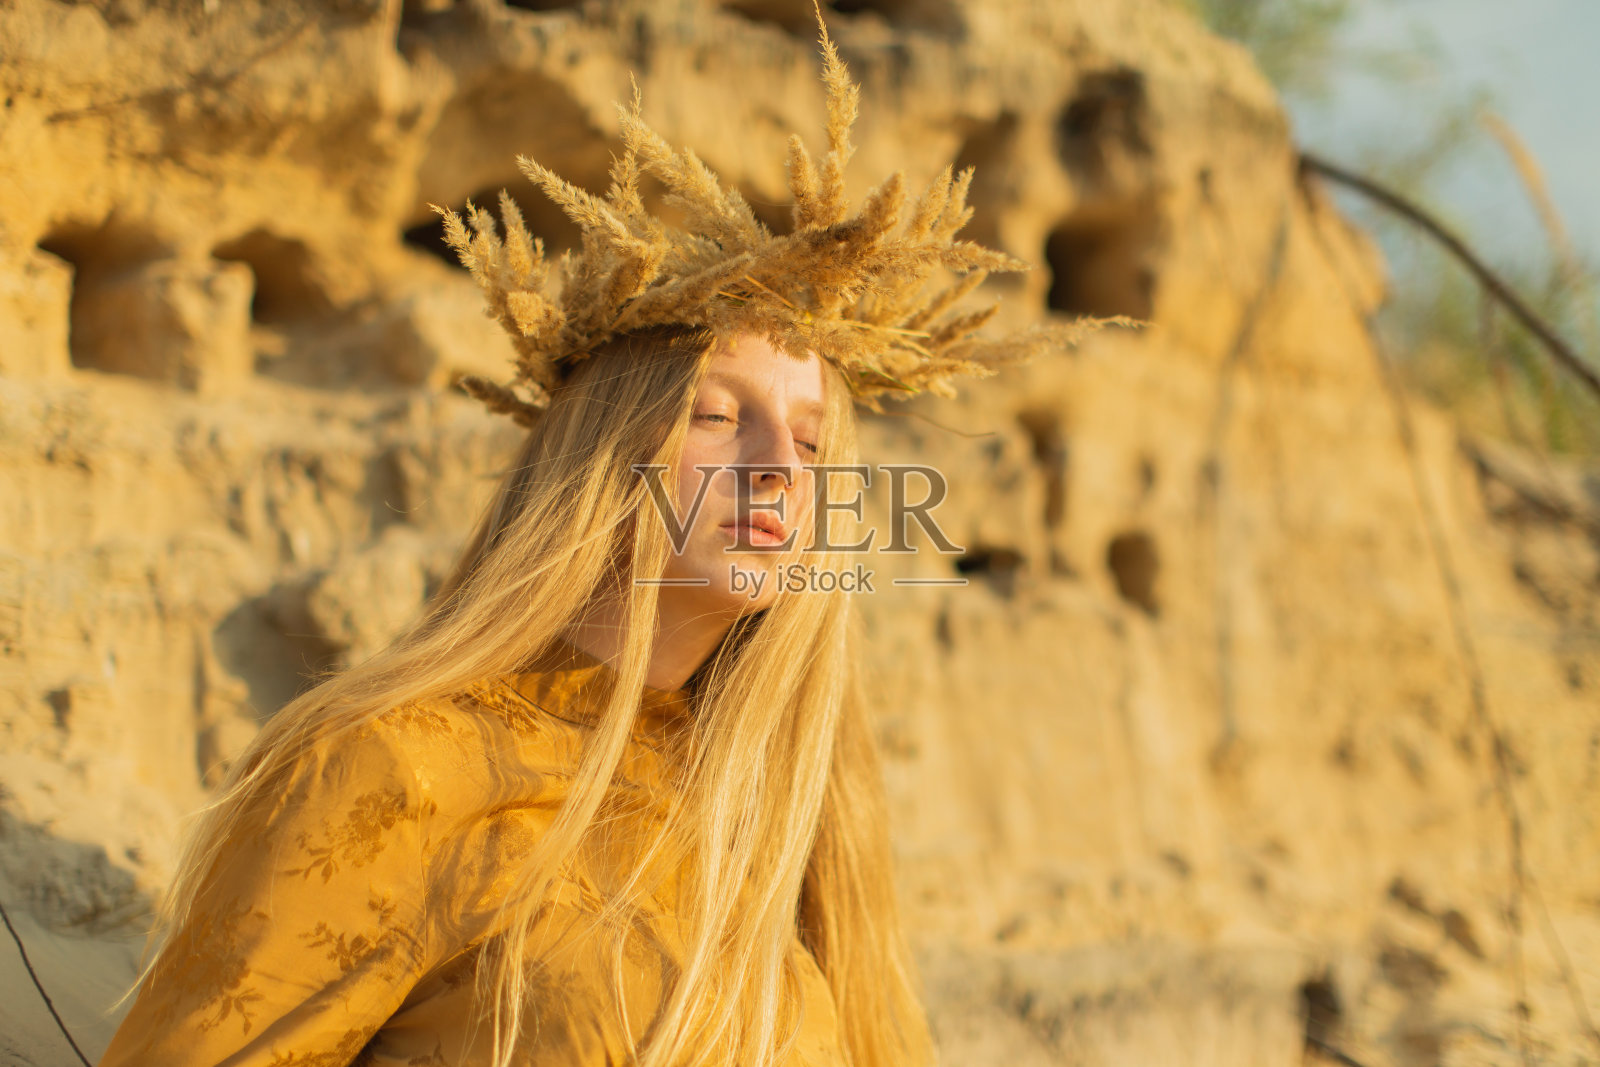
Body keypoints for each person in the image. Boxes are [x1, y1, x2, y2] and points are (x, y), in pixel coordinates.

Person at [99, 13, 1076, 1067]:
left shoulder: (787, 824)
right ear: (604, 458)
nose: (781, 468)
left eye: (808, 437)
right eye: (716, 414)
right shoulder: (392, 766)